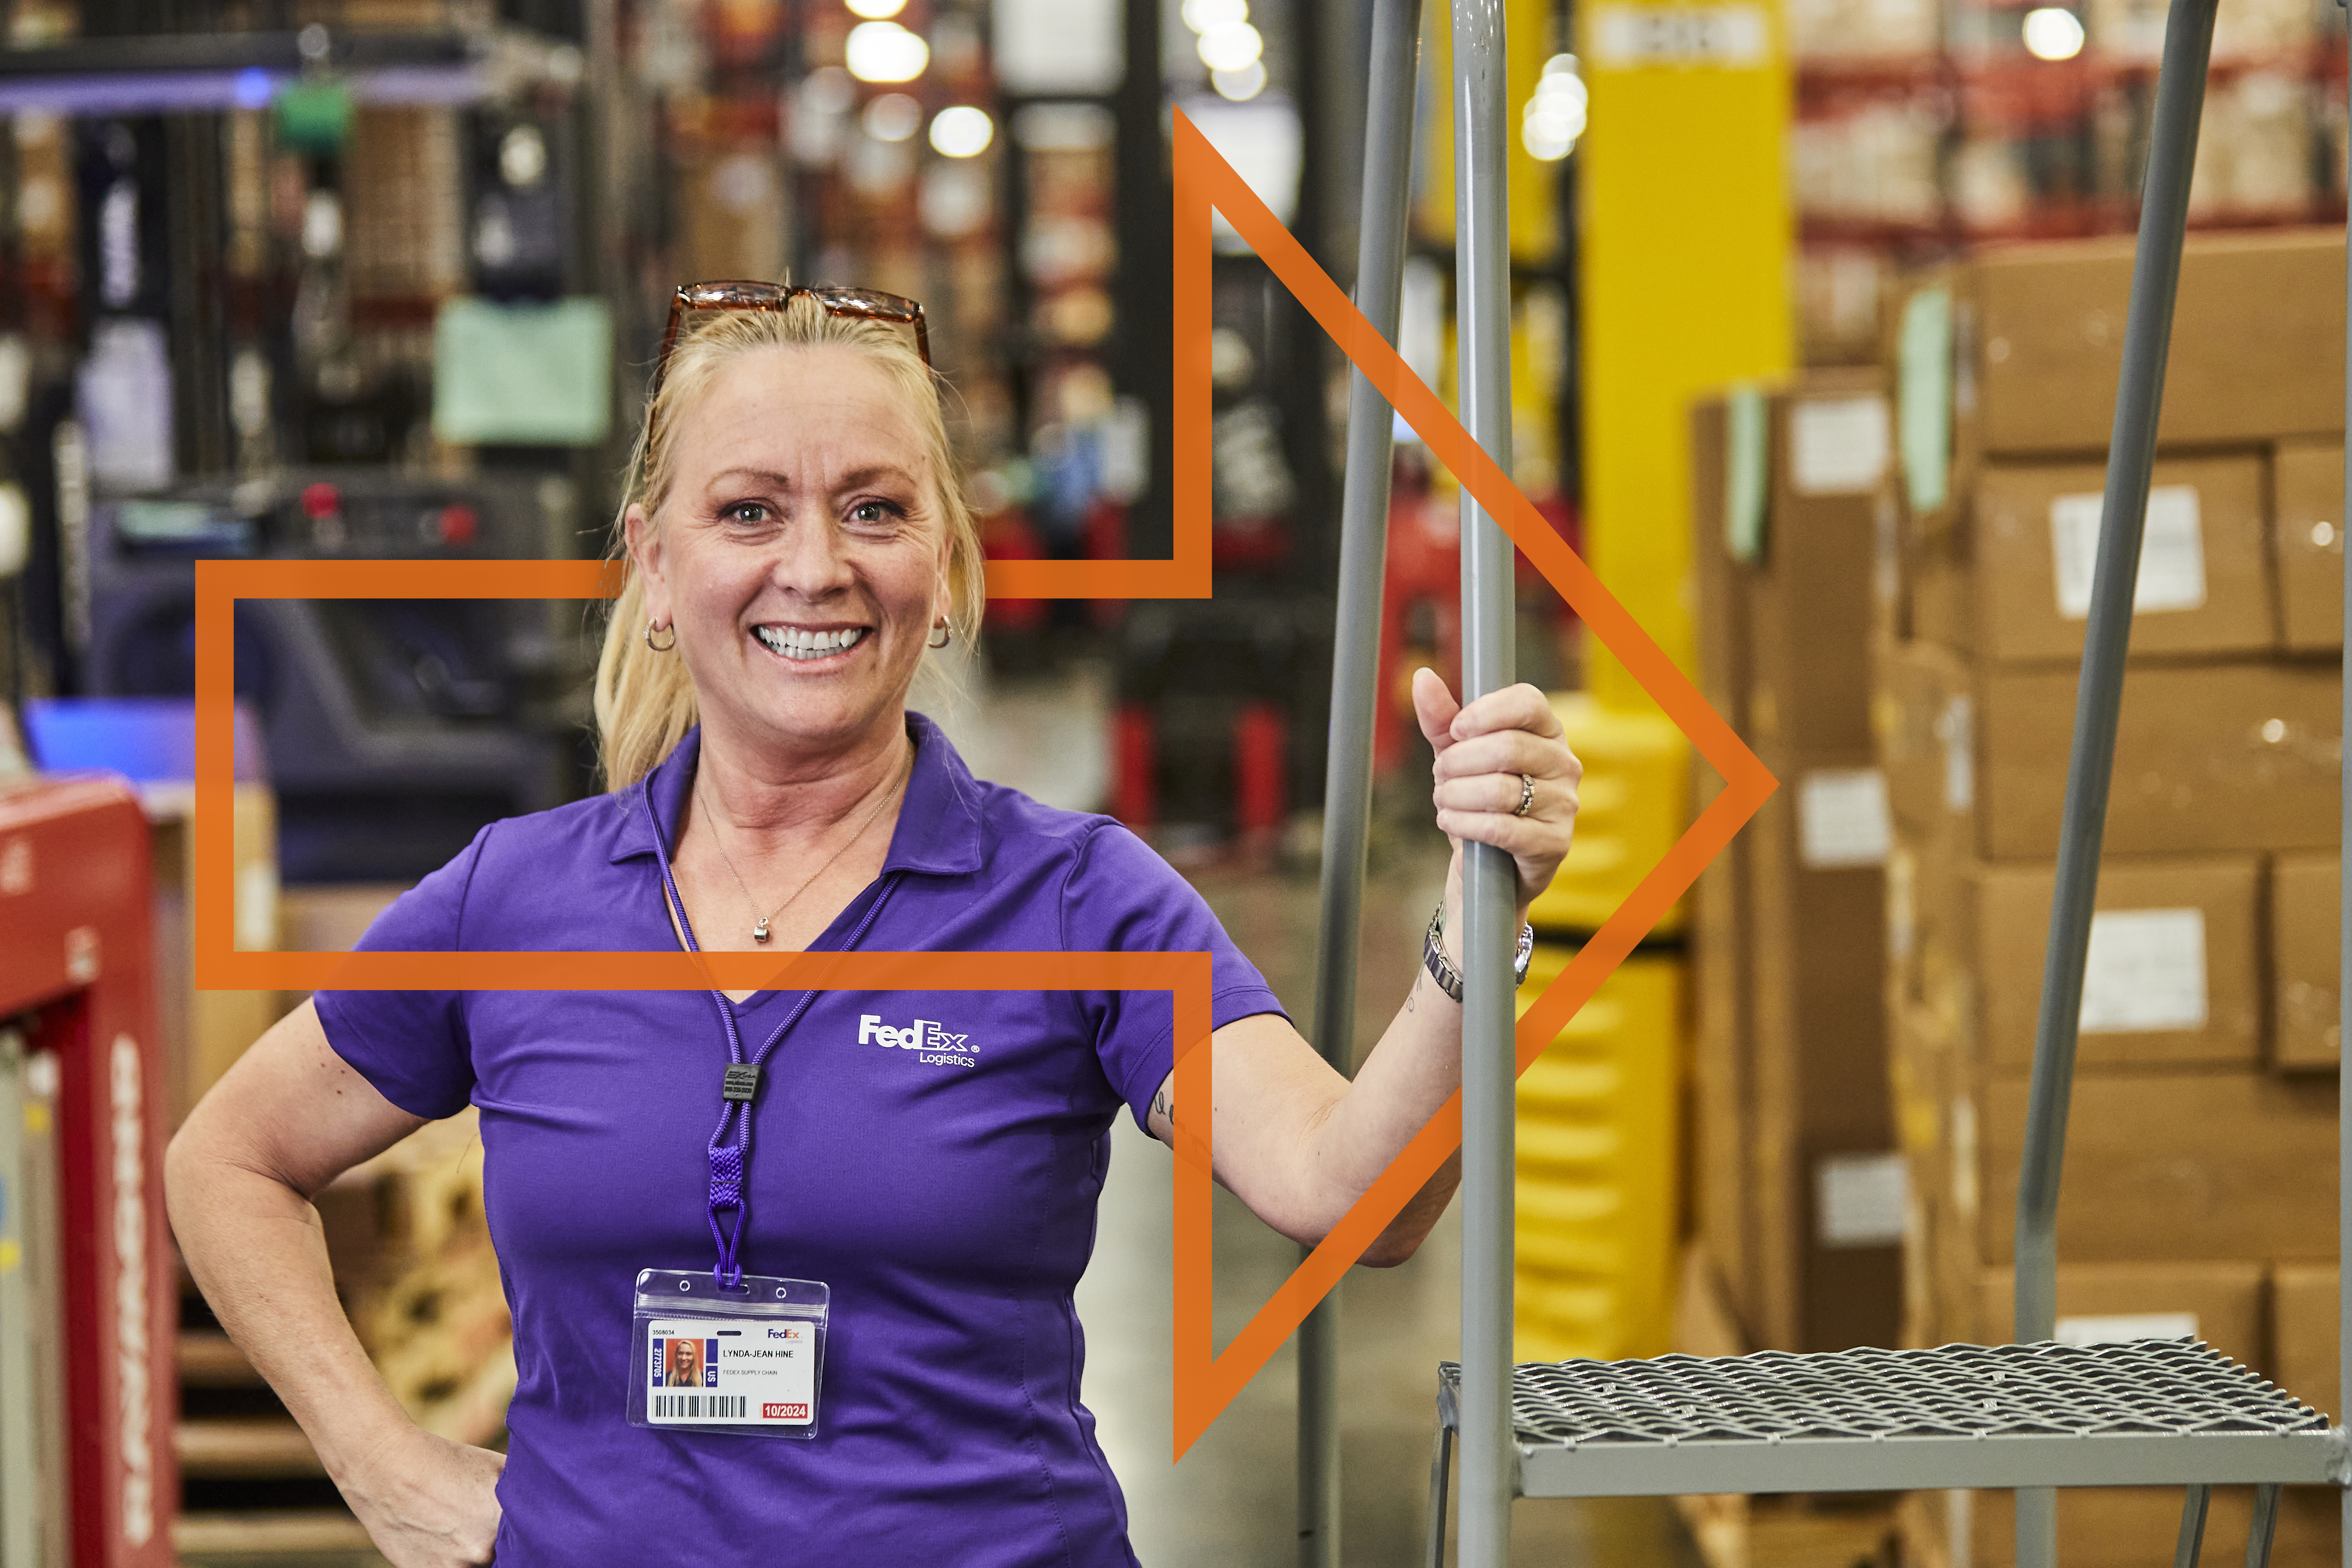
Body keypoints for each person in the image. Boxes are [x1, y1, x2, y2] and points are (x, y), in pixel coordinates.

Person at [165, 284, 1582, 1568]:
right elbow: (226, 1159)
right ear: (655, 570)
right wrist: (380, 1461)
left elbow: (1360, 1199)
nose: (816, 563)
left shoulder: (1079, 902)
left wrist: (1474, 931)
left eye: (876, 508)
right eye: (749, 512)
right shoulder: (512, 903)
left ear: (949, 568)